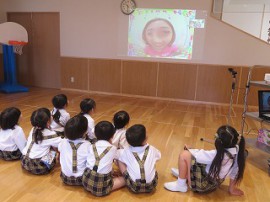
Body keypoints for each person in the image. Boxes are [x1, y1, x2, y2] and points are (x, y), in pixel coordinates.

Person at [164, 125, 246, 196]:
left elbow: (198, 155)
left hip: (201, 185)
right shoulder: (238, 151)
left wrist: (189, 149)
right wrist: (231, 189)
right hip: (214, 184)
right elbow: (235, 171)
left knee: (184, 154)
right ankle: (184, 173)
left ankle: (180, 184)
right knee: (194, 157)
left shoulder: (216, 154)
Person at [82, 121, 125, 197]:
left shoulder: (91, 146)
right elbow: (118, 159)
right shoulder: (113, 149)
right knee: (124, 180)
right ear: (112, 135)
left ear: (95, 134)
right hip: (101, 188)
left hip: (86, 181)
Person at [117, 124, 161, 193]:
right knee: (153, 162)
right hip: (152, 185)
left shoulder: (125, 151)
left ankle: (126, 176)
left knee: (119, 159)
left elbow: (116, 155)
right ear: (145, 138)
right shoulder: (152, 149)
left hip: (133, 186)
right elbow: (159, 157)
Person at [21, 108, 62, 175]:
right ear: (48, 122)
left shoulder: (33, 129)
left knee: (48, 145)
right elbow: (62, 145)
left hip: (24, 160)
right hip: (39, 166)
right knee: (54, 150)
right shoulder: (51, 134)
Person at [59, 115, 91, 186]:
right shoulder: (87, 145)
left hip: (65, 178)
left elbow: (59, 150)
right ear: (84, 131)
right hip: (81, 179)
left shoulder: (63, 142)